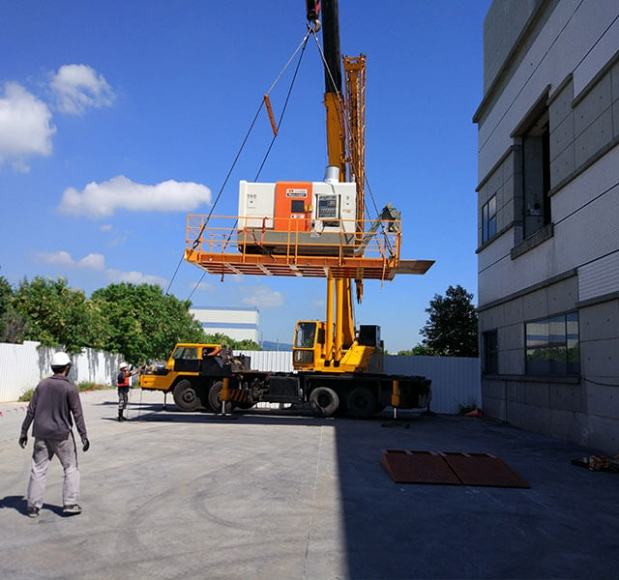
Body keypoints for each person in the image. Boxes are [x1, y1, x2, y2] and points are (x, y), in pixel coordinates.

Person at [18, 351, 89, 518]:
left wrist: (24, 431)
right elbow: (77, 413)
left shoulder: (42, 386)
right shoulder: (69, 388)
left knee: (38, 469)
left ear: (52, 367)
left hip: (41, 434)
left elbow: (31, 411)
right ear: (67, 368)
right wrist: (83, 435)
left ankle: (33, 507)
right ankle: (70, 504)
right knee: (70, 467)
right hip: (62, 435)